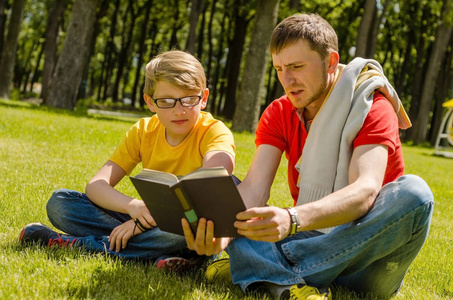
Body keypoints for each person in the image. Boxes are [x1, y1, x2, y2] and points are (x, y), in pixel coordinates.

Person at [183, 13, 434, 299]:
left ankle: (262, 266)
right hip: (310, 236)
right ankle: (279, 276)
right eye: (278, 69)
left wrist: (291, 219)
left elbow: (365, 191)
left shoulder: (372, 105)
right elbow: (254, 190)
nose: (286, 80)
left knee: (416, 194)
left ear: (330, 61)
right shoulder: (279, 112)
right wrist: (222, 233)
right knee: (231, 200)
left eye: (296, 67)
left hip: (367, 255)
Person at [19, 50, 236, 272]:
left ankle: (80, 245)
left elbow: (214, 179)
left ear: (204, 98)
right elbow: (96, 185)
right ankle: (168, 256)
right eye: (167, 101)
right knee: (60, 203)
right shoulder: (143, 131)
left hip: (191, 226)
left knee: (183, 228)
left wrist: (138, 226)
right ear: (150, 102)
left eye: (189, 99)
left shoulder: (214, 131)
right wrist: (134, 207)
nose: (179, 110)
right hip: (149, 219)